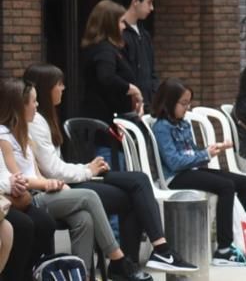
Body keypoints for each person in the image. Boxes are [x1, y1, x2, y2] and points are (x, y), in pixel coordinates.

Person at [24, 63, 197, 273]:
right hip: (61, 185)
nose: (63, 88)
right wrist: (88, 169)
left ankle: (151, 253)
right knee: (133, 194)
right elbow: (53, 170)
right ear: (45, 87)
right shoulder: (36, 122)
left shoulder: (45, 117)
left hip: (72, 177)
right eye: (59, 84)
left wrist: (88, 167)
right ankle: (135, 260)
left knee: (139, 180)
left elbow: (56, 165)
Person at [0, 79, 153, 281]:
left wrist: (52, 184)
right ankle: (117, 259)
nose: (36, 106)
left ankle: (81, 275)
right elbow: (18, 180)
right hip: (31, 197)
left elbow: (36, 172)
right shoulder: (5, 136)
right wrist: (50, 183)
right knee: (89, 196)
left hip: (44, 190)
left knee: (84, 219)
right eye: (33, 101)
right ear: (20, 105)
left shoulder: (25, 134)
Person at [150, 78, 246, 267]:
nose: (187, 107)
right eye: (183, 103)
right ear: (168, 102)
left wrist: (210, 150)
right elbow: (174, 162)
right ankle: (224, 249)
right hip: (175, 177)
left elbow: (191, 151)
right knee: (226, 186)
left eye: (188, 103)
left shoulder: (184, 123)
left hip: (192, 170)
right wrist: (205, 154)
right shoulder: (161, 127)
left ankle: (240, 238)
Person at [79, 0, 143, 152]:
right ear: (110, 24)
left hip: (110, 126)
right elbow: (106, 77)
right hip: (106, 128)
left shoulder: (106, 48)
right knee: (114, 171)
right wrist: (132, 89)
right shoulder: (104, 50)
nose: (123, 26)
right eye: (121, 22)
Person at [120, 0, 160, 107]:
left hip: (147, 105)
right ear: (136, 1)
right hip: (129, 106)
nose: (152, 8)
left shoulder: (145, 34)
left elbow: (152, 72)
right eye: (149, 2)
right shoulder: (119, 34)